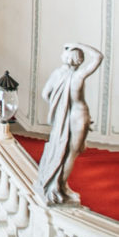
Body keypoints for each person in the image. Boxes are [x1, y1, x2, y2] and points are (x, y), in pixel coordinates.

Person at [35, 43, 103, 205]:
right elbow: (98, 57)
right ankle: (60, 187)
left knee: (61, 151)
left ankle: (58, 186)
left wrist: (60, 107)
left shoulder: (57, 74)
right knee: (71, 153)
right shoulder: (78, 76)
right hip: (79, 116)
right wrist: (78, 45)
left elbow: (46, 94)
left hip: (63, 116)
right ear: (79, 61)